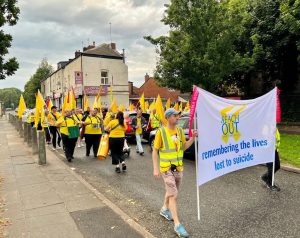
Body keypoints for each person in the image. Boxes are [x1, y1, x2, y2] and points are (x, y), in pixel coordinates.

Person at [152, 108, 197, 238]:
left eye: (178, 115)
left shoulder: (180, 131)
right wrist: (155, 168)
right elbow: (155, 151)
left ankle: (164, 209)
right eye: (175, 115)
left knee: (172, 191)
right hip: (166, 168)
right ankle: (177, 225)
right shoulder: (161, 132)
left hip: (178, 168)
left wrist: (192, 138)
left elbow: (183, 147)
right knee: (174, 194)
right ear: (168, 117)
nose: (178, 117)